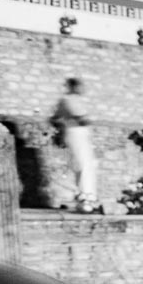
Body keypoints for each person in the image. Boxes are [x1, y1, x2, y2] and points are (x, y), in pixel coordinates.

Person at [50, 78, 98, 212]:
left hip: (80, 133)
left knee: (87, 164)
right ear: (74, 87)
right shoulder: (68, 100)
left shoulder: (73, 100)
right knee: (83, 165)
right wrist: (66, 123)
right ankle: (85, 197)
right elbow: (82, 119)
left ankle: (87, 196)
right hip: (76, 132)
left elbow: (55, 118)